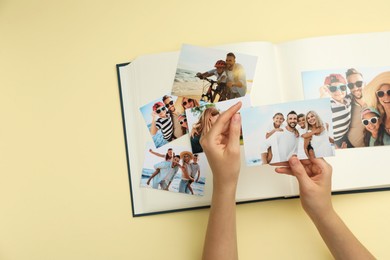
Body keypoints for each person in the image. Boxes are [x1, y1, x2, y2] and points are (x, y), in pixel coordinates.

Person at [200, 102, 375, 260]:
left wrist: (224, 184)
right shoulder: (281, 130)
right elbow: (266, 145)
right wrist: (324, 213)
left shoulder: (301, 131)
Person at [322, 74, 352, 148]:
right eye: (333, 88)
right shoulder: (329, 105)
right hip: (335, 140)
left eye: (342, 87)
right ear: (327, 90)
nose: (338, 91)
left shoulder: (348, 99)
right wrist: (334, 146)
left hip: (345, 136)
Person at [363, 71, 390, 140]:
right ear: (377, 97)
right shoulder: (380, 118)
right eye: (381, 93)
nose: (386, 97)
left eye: (389, 92)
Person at [345, 68, 366, 148]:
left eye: (359, 83)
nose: (355, 88)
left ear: (365, 83)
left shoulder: (376, 99)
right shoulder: (345, 103)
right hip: (350, 147)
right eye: (351, 85)